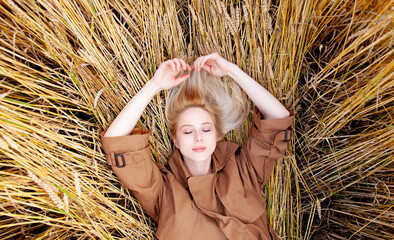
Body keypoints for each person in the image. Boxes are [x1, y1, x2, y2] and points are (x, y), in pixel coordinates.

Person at [101, 53, 294, 239]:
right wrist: (154, 85)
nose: (198, 137)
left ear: (217, 135)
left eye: (206, 130)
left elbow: (278, 119)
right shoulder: (163, 191)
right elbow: (116, 141)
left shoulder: (244, 170)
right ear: (175, 140)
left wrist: (232, 71)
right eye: (187, 131)